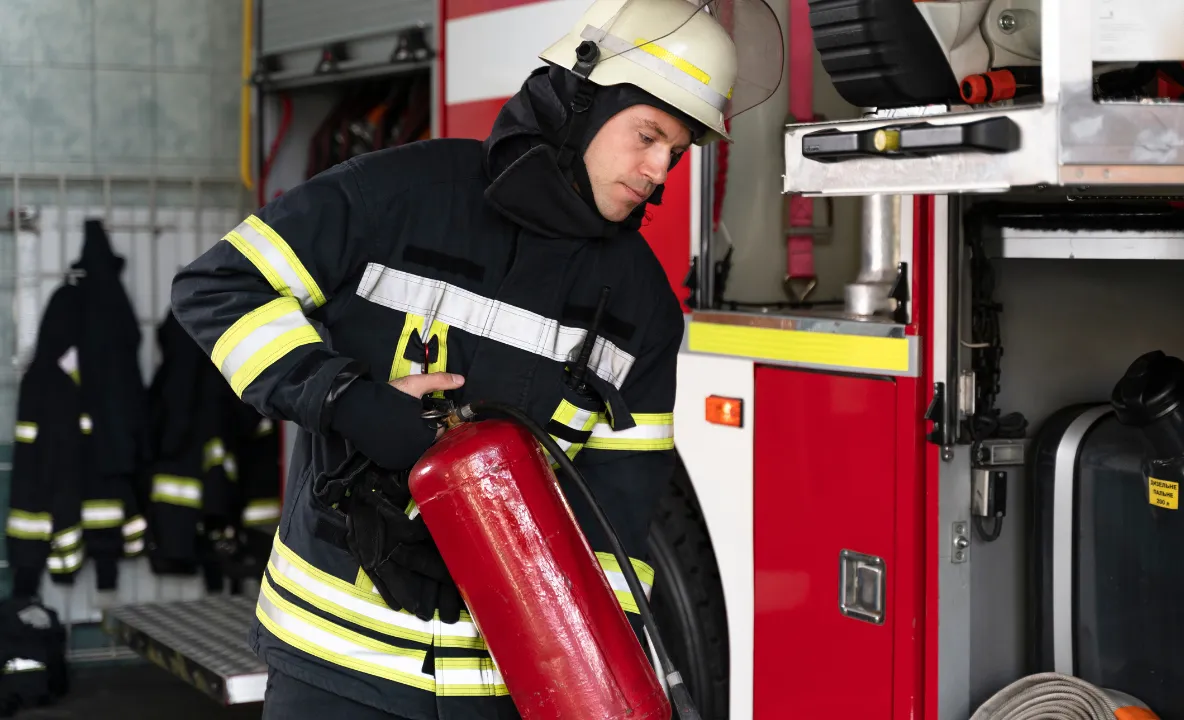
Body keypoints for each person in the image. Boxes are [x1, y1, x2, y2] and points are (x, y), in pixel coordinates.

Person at [169, 0, 781, 716]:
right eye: (649, 135)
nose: (659, 171)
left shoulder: (642, 303)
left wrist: (593, 678)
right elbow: (219, 285)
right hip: (334, 664)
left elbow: (618, 513)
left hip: (492, 690)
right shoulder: (404, 193)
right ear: (582, 101)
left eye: (675, 152)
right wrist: (346, 401)